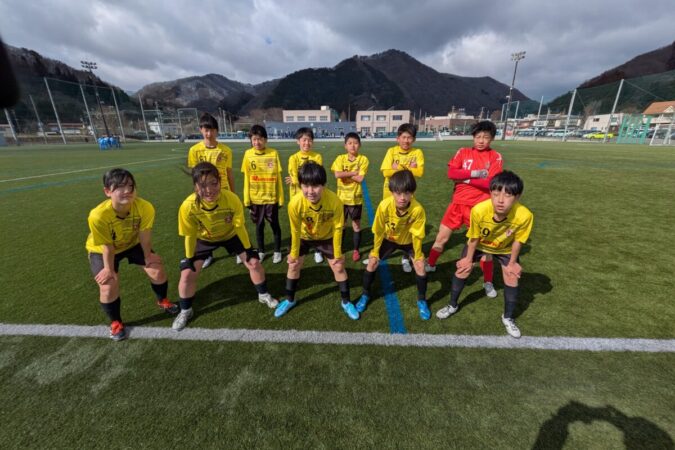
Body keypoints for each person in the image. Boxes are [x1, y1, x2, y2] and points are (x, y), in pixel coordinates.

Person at [173, 162, 278, 331]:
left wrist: (248, 250)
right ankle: (185, 310)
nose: (209, 190)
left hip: (230, 235)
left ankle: (263, 294)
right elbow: (190, 235)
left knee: (254, 263)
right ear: (195, 186)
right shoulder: (188, 206)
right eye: (203, 185)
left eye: (213, 183)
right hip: (204, 239)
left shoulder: (231, 199)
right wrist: (189, 258)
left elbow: (239, 227)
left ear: (220, 181)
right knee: (187, 274)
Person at [435, 170, 533, 338]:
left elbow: (518, 241)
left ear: (517, 197)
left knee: (512, 276)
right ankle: (452, 305)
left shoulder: (525, 215)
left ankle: (508, 317)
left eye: (508, 195)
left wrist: (513, 263)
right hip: (479, 245)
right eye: (496, 194)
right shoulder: (479, 210)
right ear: (490, 193)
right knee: (462, 270)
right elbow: (473, 238)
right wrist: (468, 259)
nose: (500, 200)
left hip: (505, 249)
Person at [86, 168, 178, 341]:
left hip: (132, 244)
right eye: (120, 187)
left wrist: (148, 256)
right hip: (102, 250)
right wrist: (108, 269)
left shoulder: (145, 207)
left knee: (156, 269)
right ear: (107, 191)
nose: (127, 190)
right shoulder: (98, 216)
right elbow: (107, 247)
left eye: (130, 186)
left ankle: (163, 300)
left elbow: (144, 235)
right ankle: (116, 322)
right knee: (108, 285)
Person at [425, 120, 504, 299]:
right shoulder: (463, 151)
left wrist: (465, 179)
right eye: (478, 136)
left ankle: (488, 281)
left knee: (484, 249)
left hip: (480, 208)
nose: (481, 140)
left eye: (485, 137)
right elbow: (451, 173)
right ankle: (431, 264)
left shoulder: (495, 156)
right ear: (473, 137)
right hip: (457, 204)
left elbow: (491, 184)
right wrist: (475, 174)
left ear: (492, 138)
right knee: (441, 238)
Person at [274, 162, 358, 320]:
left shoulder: (335, 201)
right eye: (305, 186)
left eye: (315, 186)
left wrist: (338, 253)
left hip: (326, 237)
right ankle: (289, 300)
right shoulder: (295, 203)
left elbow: (338, 228)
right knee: (294, 265)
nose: (310, 191)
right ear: (300, 185)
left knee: (338, 266)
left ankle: (346, 302)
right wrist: (293, 254)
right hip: (304, 237)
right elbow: (295, 230)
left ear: (324, 185)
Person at [356, 170, 431, 320]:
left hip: (408, 242)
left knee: (420, 266)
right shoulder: (384, 206)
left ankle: (422, 300)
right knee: (372, 262)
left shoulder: (417, 210)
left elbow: (417, 236)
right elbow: (378, 231)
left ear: (412, 192)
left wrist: (417, 256)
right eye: (398, 193)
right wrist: (375, 251)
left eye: (407, 193)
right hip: (389, 240)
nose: (402, 198)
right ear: (391, 192)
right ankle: (365, 295)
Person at [187, 113, 235, 268]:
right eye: (206, 130)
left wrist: (233, 193)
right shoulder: (194, 150)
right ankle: (207, 254)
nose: (209, 133)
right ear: (200, 130)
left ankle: (236, 250)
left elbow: (229, 173)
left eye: (212, 130)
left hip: (223, 191)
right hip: (204, 193)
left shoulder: (225, 150)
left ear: (217, 131)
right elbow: (194, 175)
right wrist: (197, 193)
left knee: (230, 220)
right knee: (206, 222)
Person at [379, 123, 424, 273]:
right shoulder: (391, 151)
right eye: (403, 137)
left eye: (409, 137)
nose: (406, 140)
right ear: (398, 138)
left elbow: (420, 172)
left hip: (407, 194)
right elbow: (385, 172)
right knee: (386, 224)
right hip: (390, 193)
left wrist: (396, 167)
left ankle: (405, 258)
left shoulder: (417, 152)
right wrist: (409, 168)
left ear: (414, 139)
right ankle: (379, 254)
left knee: (407, 226)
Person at [241, 125, 284, 264]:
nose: (257, 142)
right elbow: (246, 178)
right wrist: (247, 200)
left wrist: (280, 198)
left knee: (275, 225)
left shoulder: (273, 153)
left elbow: (278, 178)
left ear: (265, 140)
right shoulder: (248, 154)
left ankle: (277, 251)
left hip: (271, 198)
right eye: (254, 139)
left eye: (260, 139)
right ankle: (261, 251)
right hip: (256, 199)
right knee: (259, 226)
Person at [285, 127, 324, 263]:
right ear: (298, 141)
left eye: (309, 140)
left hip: (313, 197)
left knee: (315, 224)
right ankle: (296, 250)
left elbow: (315, 177)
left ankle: (318, 250)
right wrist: (296, 179)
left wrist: (296, 180)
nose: (307, 143)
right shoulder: (293, 158)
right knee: (297, 225)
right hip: (297, 197)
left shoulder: (317, 157)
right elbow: (293, 175)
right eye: (304, 140)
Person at [330, 132, 369, 262]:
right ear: (345, 146)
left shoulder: (363, 159)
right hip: (341, 199)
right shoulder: (340, 158)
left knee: (356, 225)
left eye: (356, 143)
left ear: (360, 145)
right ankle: (339, 248)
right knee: (341, 225)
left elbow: (360, 178)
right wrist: (353, 173)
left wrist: (344, 174)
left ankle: (356, 250)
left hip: (355, 198)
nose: (353, 146)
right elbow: (337, 174)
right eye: (350, 143)